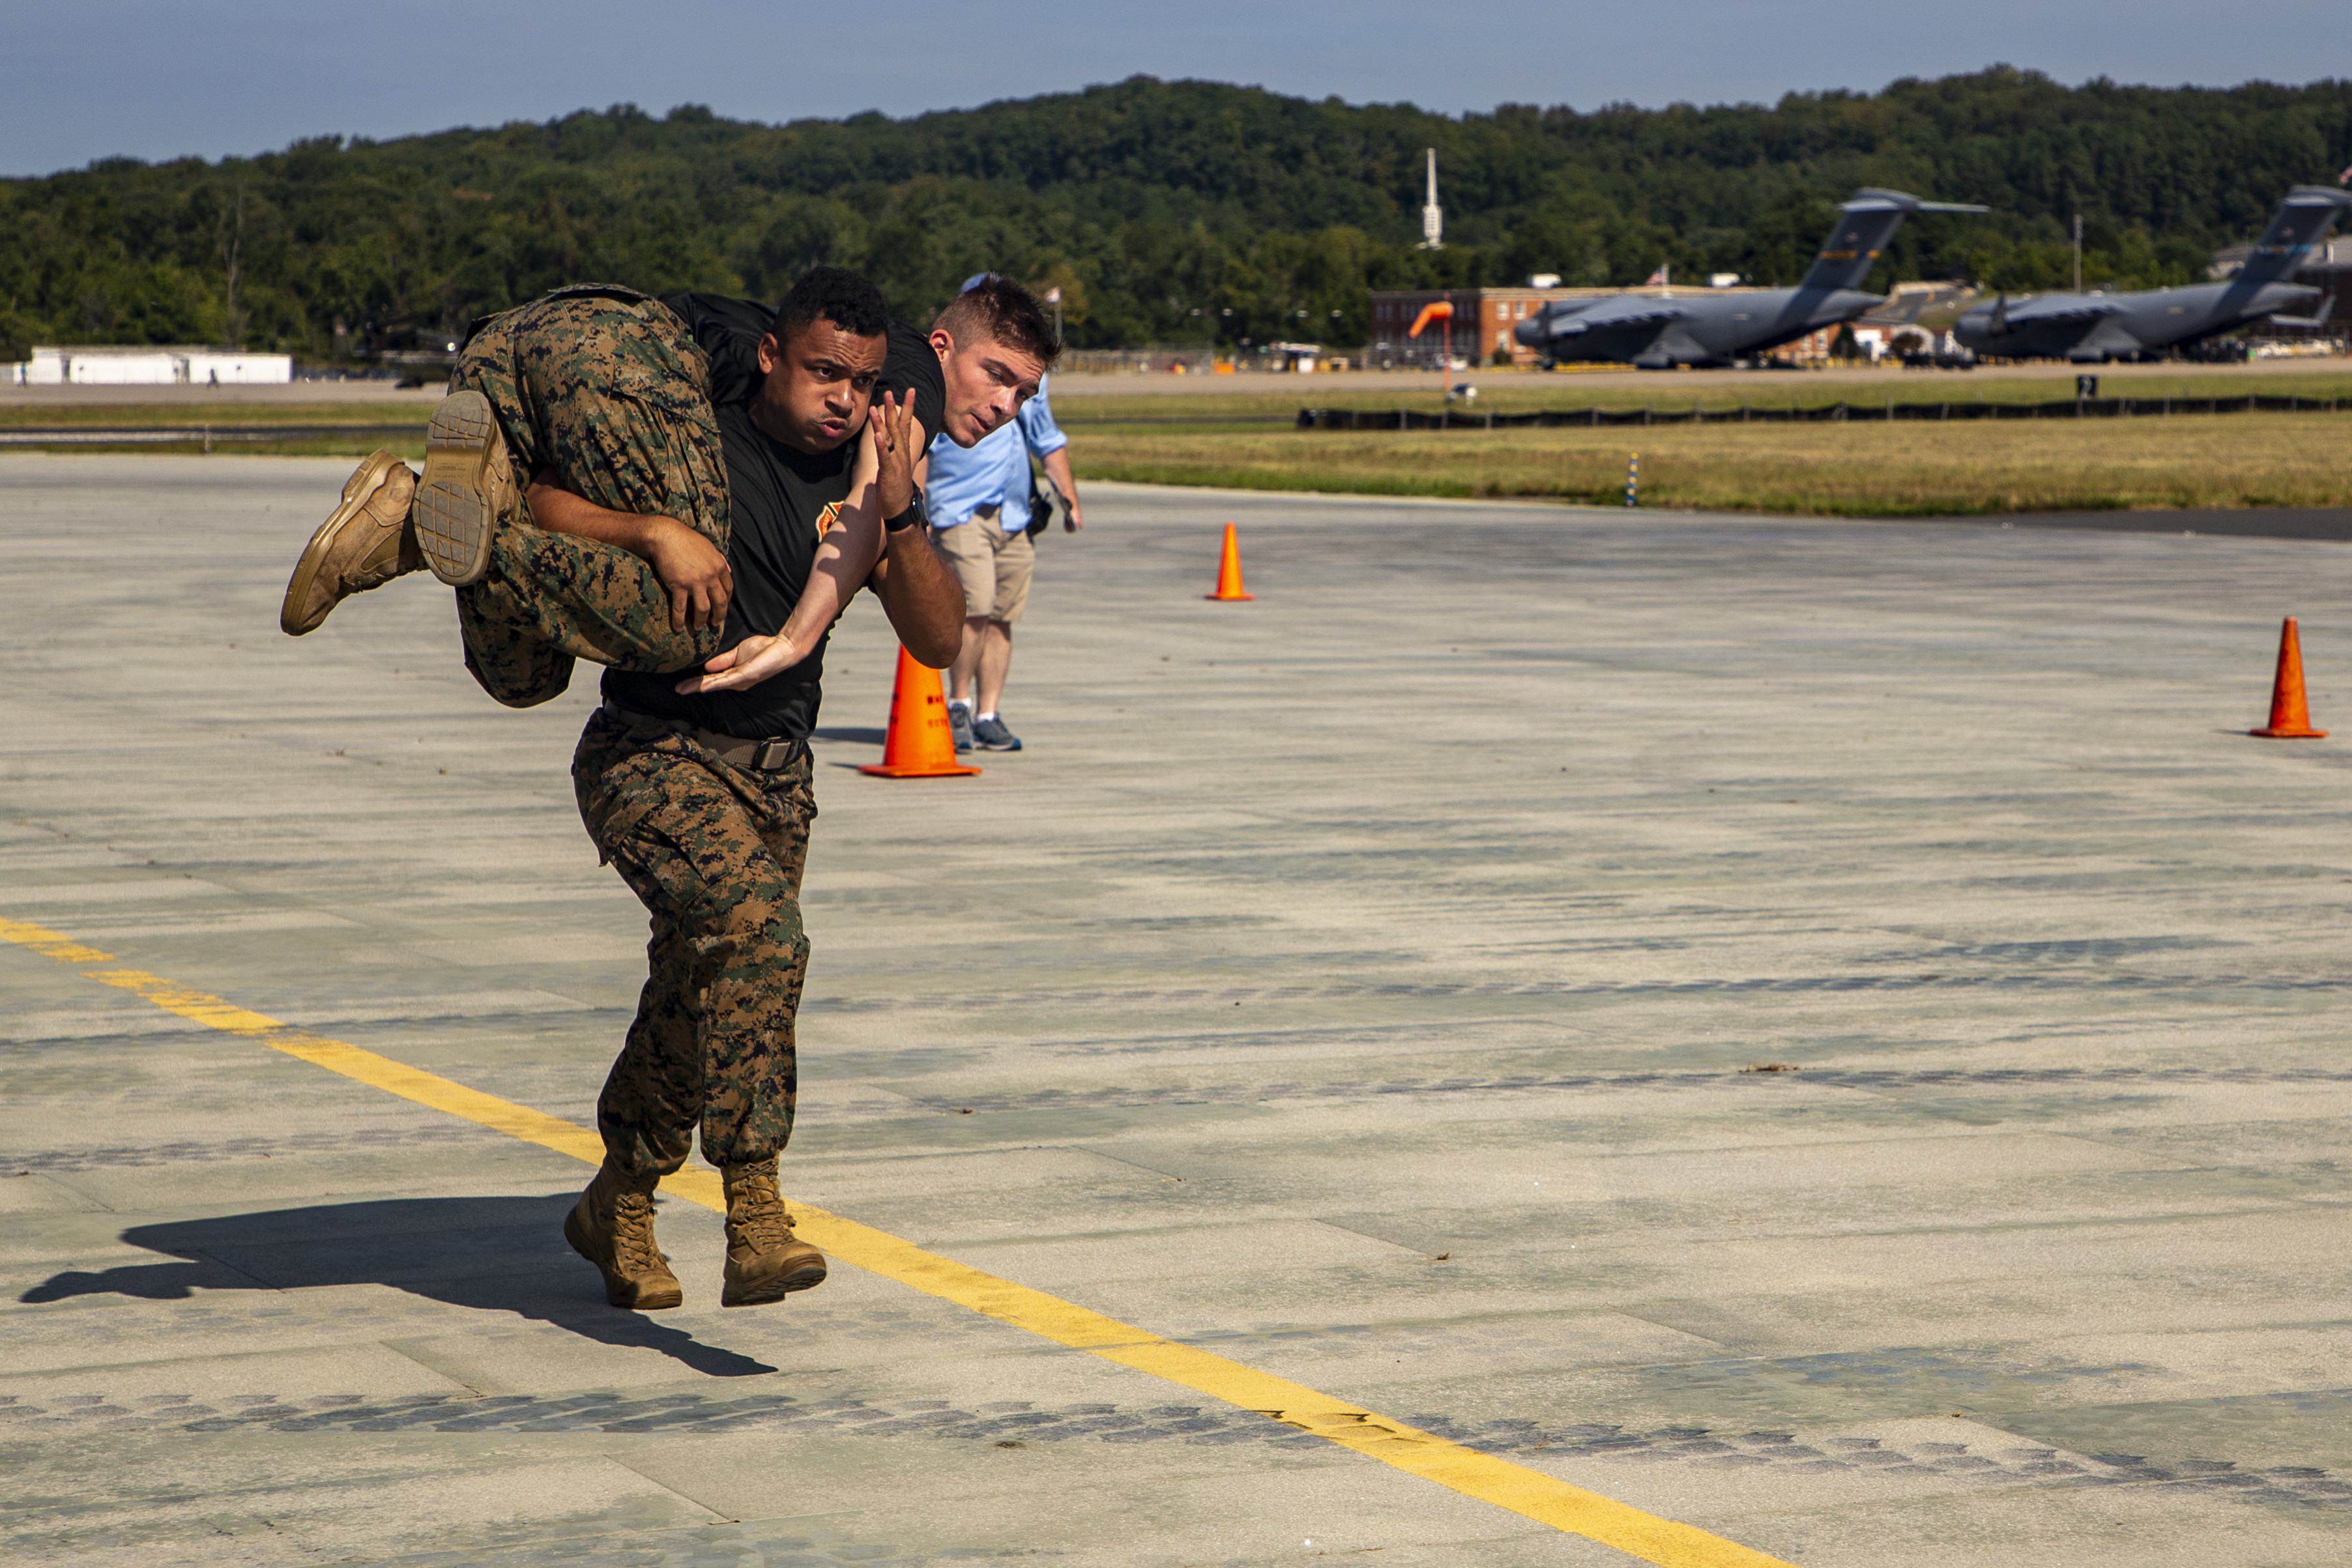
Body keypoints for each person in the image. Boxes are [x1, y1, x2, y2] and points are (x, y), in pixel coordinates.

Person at [277, 270, 1058, 1312]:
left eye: (858, 381)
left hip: (776, 778)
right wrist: (652, 530)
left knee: (698, 999)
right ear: (775, 358)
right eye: (822, 370)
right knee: (761, 942)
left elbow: (937, 636)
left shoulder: (875, 476)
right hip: (650, 753)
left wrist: (906, 516)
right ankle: (756, 1208)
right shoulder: (701, 438)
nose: (841, 396)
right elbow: (540, 500)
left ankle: (621, 1199)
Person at [922, 276, 1084, 753]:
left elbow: (1047, 439)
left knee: (1002, 615)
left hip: (1013, 513)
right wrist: (918, 509)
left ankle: (988, 712)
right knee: (974, 607)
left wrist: (1069, 498)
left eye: (1020, 393)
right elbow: (920, 451)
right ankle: (958, 704)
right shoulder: (945, 389)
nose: (1006, 404)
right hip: (960, 508)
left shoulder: (1024, 382)